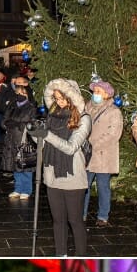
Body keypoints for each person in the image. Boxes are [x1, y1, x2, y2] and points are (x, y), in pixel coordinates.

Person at [35, 79, 93, 256]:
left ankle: (81, 257)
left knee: (75, 220)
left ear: (72, 98)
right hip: (52, 173)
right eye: (56, 98)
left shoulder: (84, 119)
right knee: (58, 220)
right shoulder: (53, 116)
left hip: (73, 175)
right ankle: (61, 255)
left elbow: (70, 147)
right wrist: (35, 134)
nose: (59, 102)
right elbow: (44, 143)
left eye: (62, 98)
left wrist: (47, 135)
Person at [82, 80, 123, 227]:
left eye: (99, 92)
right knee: (83, 185)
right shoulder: (87, 107)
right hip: (87, 154)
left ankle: (103, 216)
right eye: (94, 91)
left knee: (103, 186)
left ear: (107, 94)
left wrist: (93, 144)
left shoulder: (114, 111)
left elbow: (113, 134)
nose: (95, 94)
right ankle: (81, 214)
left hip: (103, 155)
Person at [1, 76, 37, 200]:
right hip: (11, 140)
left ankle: (27, 190)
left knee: (25, 165)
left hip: (24, 141)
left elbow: (32, 124)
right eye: (18, 93)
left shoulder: (31, 108)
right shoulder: (11, 106)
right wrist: (6, 124)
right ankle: (18, 188)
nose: (20, 95)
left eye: (23, 93)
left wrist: (18, 124)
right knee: (15, 166)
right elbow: (3, 122)